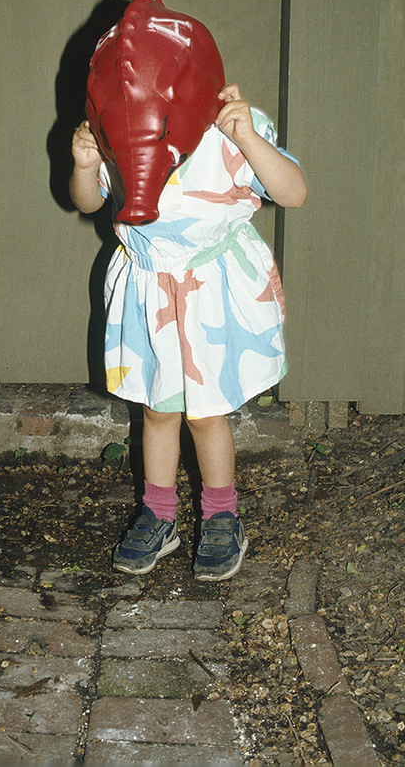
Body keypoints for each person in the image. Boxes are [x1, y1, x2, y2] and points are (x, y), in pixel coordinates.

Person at [70, 83, 307, 580]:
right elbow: (90, 202)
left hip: (209, 293)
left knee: (205, 413)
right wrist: (85, 166)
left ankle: (223, 515)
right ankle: (159, 514)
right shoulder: (122, 129)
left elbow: (293, 191)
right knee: (157, 409)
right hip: (151, 290)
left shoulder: (228, 129)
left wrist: (247, 137)